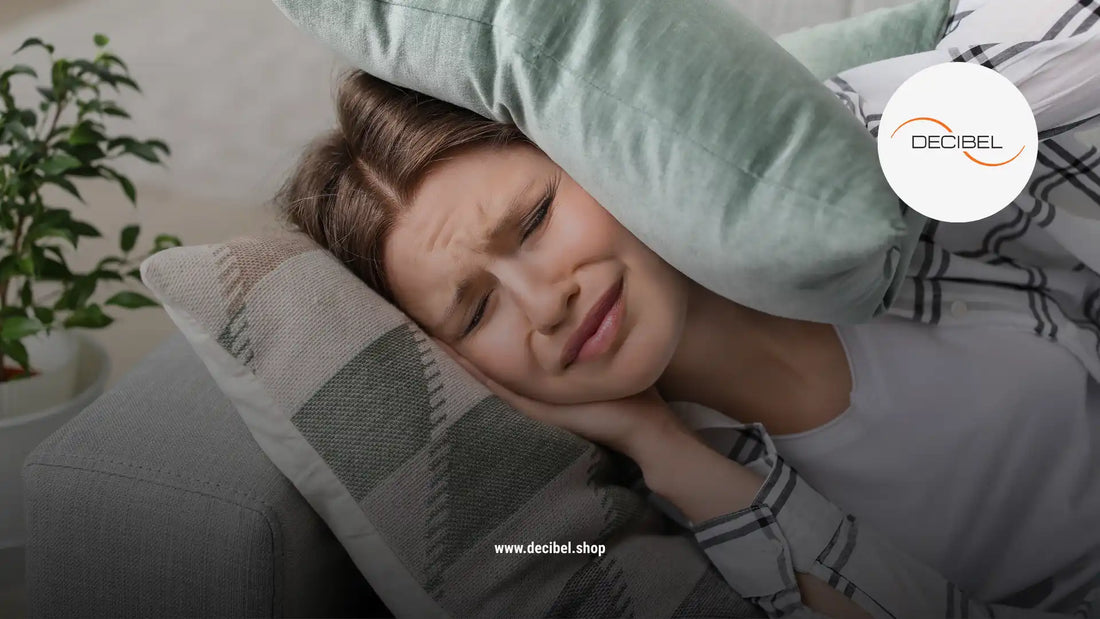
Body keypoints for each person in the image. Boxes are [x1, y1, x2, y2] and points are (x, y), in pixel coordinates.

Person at [272, 3, 1100, 615]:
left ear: (602, 153)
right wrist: (658, 444)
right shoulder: (649, 510)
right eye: (476, 311)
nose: (544, 300)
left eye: (533, 222)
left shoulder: (849, 203)